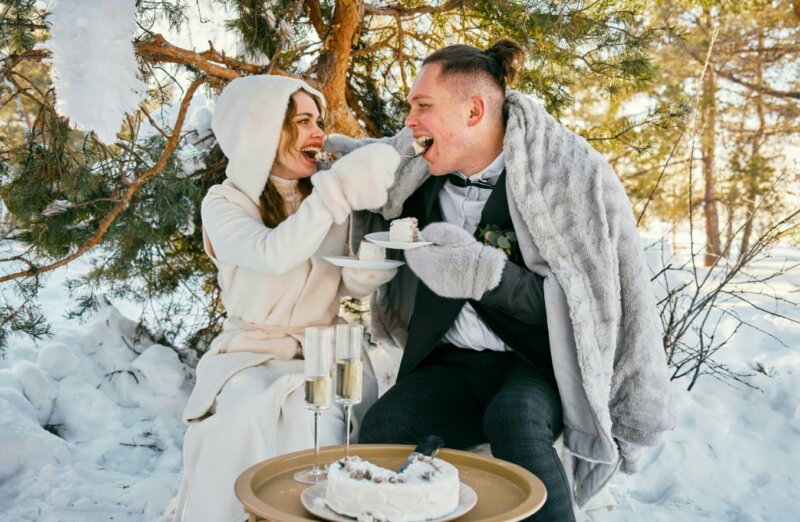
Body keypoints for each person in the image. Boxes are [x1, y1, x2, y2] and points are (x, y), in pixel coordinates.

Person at [328, 39, 673, 520]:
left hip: (532, 363)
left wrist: (486, 276)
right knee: (385, 425)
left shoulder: (567, 179)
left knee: (515, 420)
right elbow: (374, 160)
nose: (410, 121)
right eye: (410, 107)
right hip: (448, 363)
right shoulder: (416, 169)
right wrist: (329, 157)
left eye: (423, 106)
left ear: (474, 110)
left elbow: (595, 302)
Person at [172, 75, 401, 522]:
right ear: (262, 131)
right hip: (252, 354)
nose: (320, 133)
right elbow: (272, 254)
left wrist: (365, 277)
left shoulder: (324, 197)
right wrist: (335, 192)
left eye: (319, 121)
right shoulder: (225, 202)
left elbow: (341, 282)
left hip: (323, 352)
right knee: (242, 414)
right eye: (303, 121)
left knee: (314, 421)